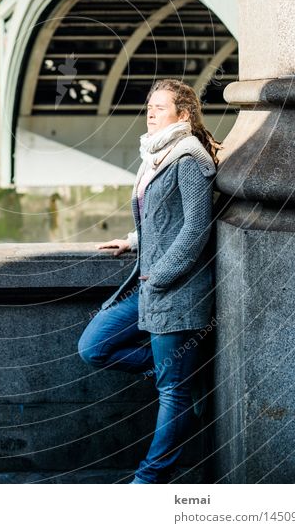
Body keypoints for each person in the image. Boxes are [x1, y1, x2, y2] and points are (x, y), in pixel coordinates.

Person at [77, 78, 220, 483]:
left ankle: (150, 479)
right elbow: (164, 220)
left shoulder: (189, 159)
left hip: (176, 291)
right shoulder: (156, 156)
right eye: (149, 106)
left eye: (160, 107)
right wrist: (133, 240)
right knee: (93, 347)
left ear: (184, 115)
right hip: (149, 286)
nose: (151, 113)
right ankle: (182, 372)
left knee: (171, 393)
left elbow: (195, 229)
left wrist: (159, 276)